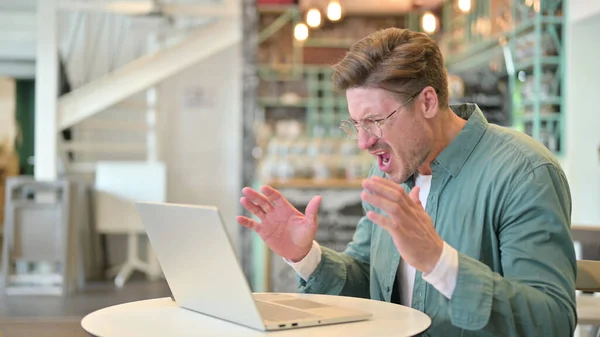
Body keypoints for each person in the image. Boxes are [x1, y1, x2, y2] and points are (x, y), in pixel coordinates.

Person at [236, 27, 577, 336]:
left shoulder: (523, 172)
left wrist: (439, 262)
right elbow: (368, 284)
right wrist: (305, 257)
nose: (363, 142)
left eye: (374, 121)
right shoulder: (387, 175)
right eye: (356, 124)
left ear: (428, 102)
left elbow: (552, 322)